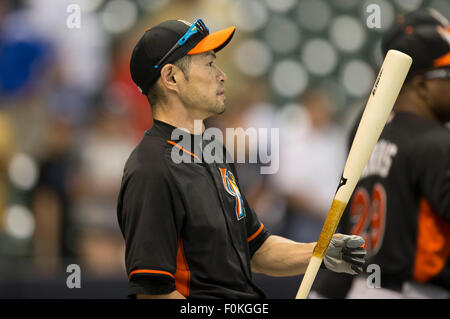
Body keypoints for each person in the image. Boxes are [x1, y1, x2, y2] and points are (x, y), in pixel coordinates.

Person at [116, 19, 366, 299]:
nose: (221, 75)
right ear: (171, 77)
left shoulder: (213, 150)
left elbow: (258, 250)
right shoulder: (151, 168)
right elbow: (153, 293)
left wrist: (320, 251)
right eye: (209, 64)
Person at [312, 9, 450, 299]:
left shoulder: (363, 128)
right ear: (421, 84)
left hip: (362, 286)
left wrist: (324, 290)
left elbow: (343, 222)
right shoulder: (434, 141)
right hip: (416, 290)